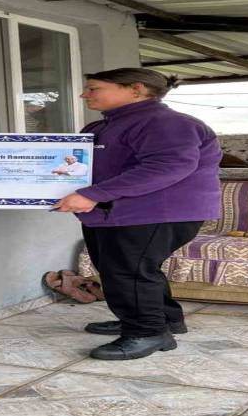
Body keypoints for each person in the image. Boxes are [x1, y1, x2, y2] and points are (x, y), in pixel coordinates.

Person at [50, 68, 221, 360]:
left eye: (94, 88)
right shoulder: (102, 126)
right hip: (117, 212)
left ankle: (147, 332)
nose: (83, 95)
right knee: (130, 269)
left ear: (135, 89)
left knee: (128, 272)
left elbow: (167, 166)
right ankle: (165, 319)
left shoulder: (167, 123)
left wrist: (92, 194)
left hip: (157, 212)